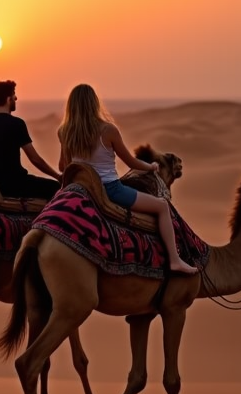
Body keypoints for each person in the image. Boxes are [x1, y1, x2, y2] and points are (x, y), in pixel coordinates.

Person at [57, 83, 198, 274]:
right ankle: (174, 259)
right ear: (94, 103)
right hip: (110, 190)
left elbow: (62, 167)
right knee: (162, 207)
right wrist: (152, 166)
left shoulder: (64, 132)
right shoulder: (108, 130)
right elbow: (131, 162)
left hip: (79, 189)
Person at [0, 80, 62, 200]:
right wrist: (57, 176)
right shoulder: (17, 124)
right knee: (55, 188)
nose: (16, 98)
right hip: (17, 184)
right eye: (14, 95)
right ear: (8, 99)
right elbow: (35, 159)